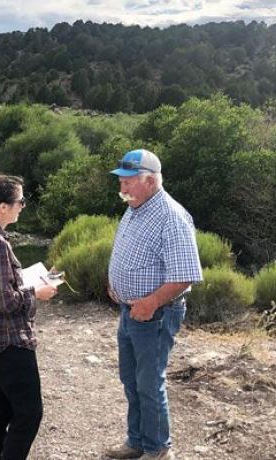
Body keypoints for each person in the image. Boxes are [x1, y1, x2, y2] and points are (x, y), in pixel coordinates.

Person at [105, 149, 203, 460]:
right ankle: (137, 442)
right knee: (131, 379)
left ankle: (159, 449)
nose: (122, 188)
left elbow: (186, 276)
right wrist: (115, 283)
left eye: (129, 181)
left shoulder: (171, 216)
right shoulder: (136, 207)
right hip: (130, 310)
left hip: (155, 315)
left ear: (151, 181)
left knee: (149, 383)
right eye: (121, 181)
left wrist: (151, 302)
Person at [0, 174, 57, 460]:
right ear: (3, 207)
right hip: (8, 341)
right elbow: (2, 301)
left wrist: (26, 282)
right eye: (20, 201)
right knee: (30, 414)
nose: (23, 206)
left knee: (1, 407)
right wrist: (36, 293)